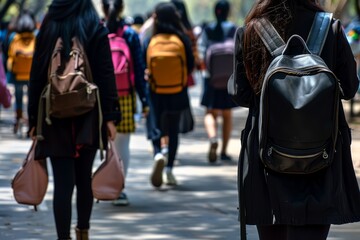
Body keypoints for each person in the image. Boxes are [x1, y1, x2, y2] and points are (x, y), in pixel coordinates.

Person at [234, 1, 360, 240]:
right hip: (322, 157)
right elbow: (350, 88)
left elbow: (241, 95)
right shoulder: (330, 28)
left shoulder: (250, 30)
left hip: (268, 158)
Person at [27, 0, 121, 239]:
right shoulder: (94, 26)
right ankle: (83, 232)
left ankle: (63, 237)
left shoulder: (48, 27)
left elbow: (37, 74)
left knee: (63, 184)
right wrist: (110, 117)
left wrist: (33, 119)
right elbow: (105, 73)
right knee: (83, 179)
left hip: (52, 118)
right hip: (87, 115)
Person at [101, 0, 149, 206]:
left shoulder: (97, 31)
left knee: (105, 144)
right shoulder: (129, 34)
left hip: (101, 97)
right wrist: (144, 99)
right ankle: (119, 190)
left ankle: (104, 185)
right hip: (125, 96)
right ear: (122, 9)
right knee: (123, 144)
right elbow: (138, 69)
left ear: (103, 9)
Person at [144, 2, 194, 187]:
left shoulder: (151, 39)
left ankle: (158, 153)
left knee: (156, 125)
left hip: (156, 91)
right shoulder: (182, 38)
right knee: (173, 131)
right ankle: (170, 169)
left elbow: (144, 63)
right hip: (177, 91)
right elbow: (190, 66)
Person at [197, 0, 237, 163]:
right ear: (228, 12)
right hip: (229, 78)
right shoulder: (233, 29)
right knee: (227, 114)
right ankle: (224, 151)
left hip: (210, 78)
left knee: (210, 112)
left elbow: (201, 53)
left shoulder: (207, 29)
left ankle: (213, 138)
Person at [6, 10, 37, 136]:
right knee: (30, 100)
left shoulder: (14, 38)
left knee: (18, 100)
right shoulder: (35, 36)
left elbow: (8, 54)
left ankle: (17, 122)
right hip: (31, 74)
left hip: (17, 74)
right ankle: (30, 124)